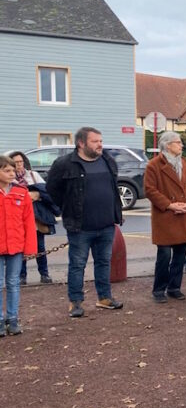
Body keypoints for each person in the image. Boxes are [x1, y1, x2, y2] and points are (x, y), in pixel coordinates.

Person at [47, 126, 124, 317]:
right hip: (80, 227)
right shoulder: (65, 163)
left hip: (106, 225)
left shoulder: (107, 160)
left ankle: (104, 298)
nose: (100, 145)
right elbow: (52, 189)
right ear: (81, 143)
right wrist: (67, 208)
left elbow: (113, 188)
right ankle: (76, 303)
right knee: (77, 265)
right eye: (95, 141)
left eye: (101, 141)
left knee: (103, 262)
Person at [144, 131, 186, 303]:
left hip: (183, 215)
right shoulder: (154, 165)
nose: (181, 145)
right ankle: (159, 289)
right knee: (164, 255)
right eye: (178, 142)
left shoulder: (183, 163)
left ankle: (174, 287)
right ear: (168, 145)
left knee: (181, 254)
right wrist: (169, 205)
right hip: (165, 216)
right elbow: (150, 190)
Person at [0, 155, 37, 336]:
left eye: (13, 170)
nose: (11, 174)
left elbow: (28, 222)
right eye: (7, 170)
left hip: (15, 245)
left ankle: (12, 318)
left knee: (13, 283)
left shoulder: (21, 193)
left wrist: (30, 248)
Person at [9, 151, 56, 285]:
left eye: (20, 161)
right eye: (15, 162)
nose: (18, 165)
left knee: (40, 246)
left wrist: (37, 195)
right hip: (17, 218)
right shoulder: (9, 179)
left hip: (36, 217)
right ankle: (22, 276)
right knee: (21, 247)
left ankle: (44, 274)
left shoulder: (33, 176)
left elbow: (47, 193)